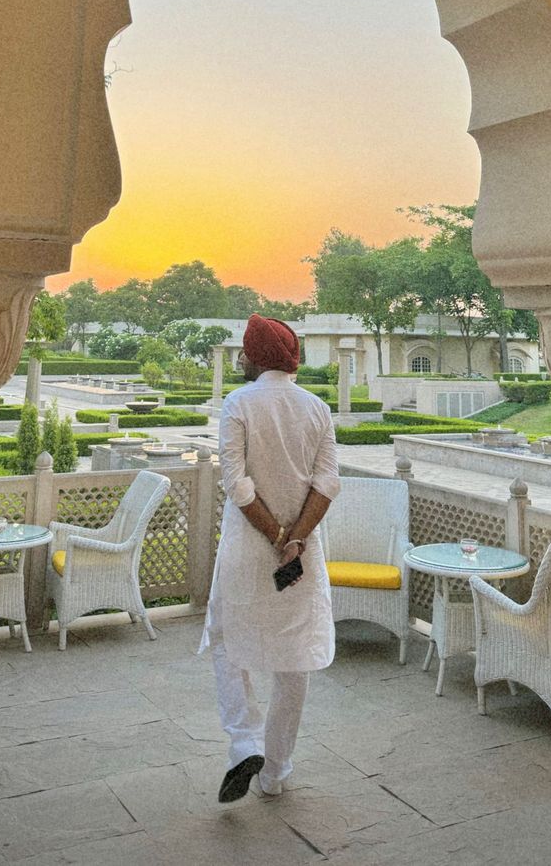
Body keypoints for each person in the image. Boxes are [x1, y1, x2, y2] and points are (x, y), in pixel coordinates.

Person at [199, 313, 340, 803]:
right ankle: (276, 771)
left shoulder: (239, 402)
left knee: (224, 637)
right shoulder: (317, 408)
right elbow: (327, 485)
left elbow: (236, 485)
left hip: (248, 549)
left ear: (254, 357)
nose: (239, 358)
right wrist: (296, 539)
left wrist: (276, 534)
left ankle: (244, 742)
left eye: (243, 351)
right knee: (294, 656)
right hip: (302, 554)